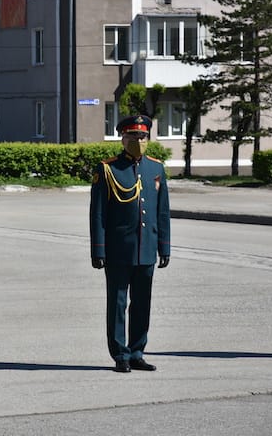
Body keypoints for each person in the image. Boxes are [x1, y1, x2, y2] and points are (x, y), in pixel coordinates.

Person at [89, 115, 170, 373]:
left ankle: (137, 351)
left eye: (143, 136)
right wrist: (98, 250)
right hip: (118, 249)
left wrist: (164, 246)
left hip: (146, 248)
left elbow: (162, 211)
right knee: (118, 304)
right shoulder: (108, 169)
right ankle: (120, 354)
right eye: (133, 136)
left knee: (142, 303)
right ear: (123, 138)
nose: (138, 140)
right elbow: (98, 213)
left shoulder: (156, 168)